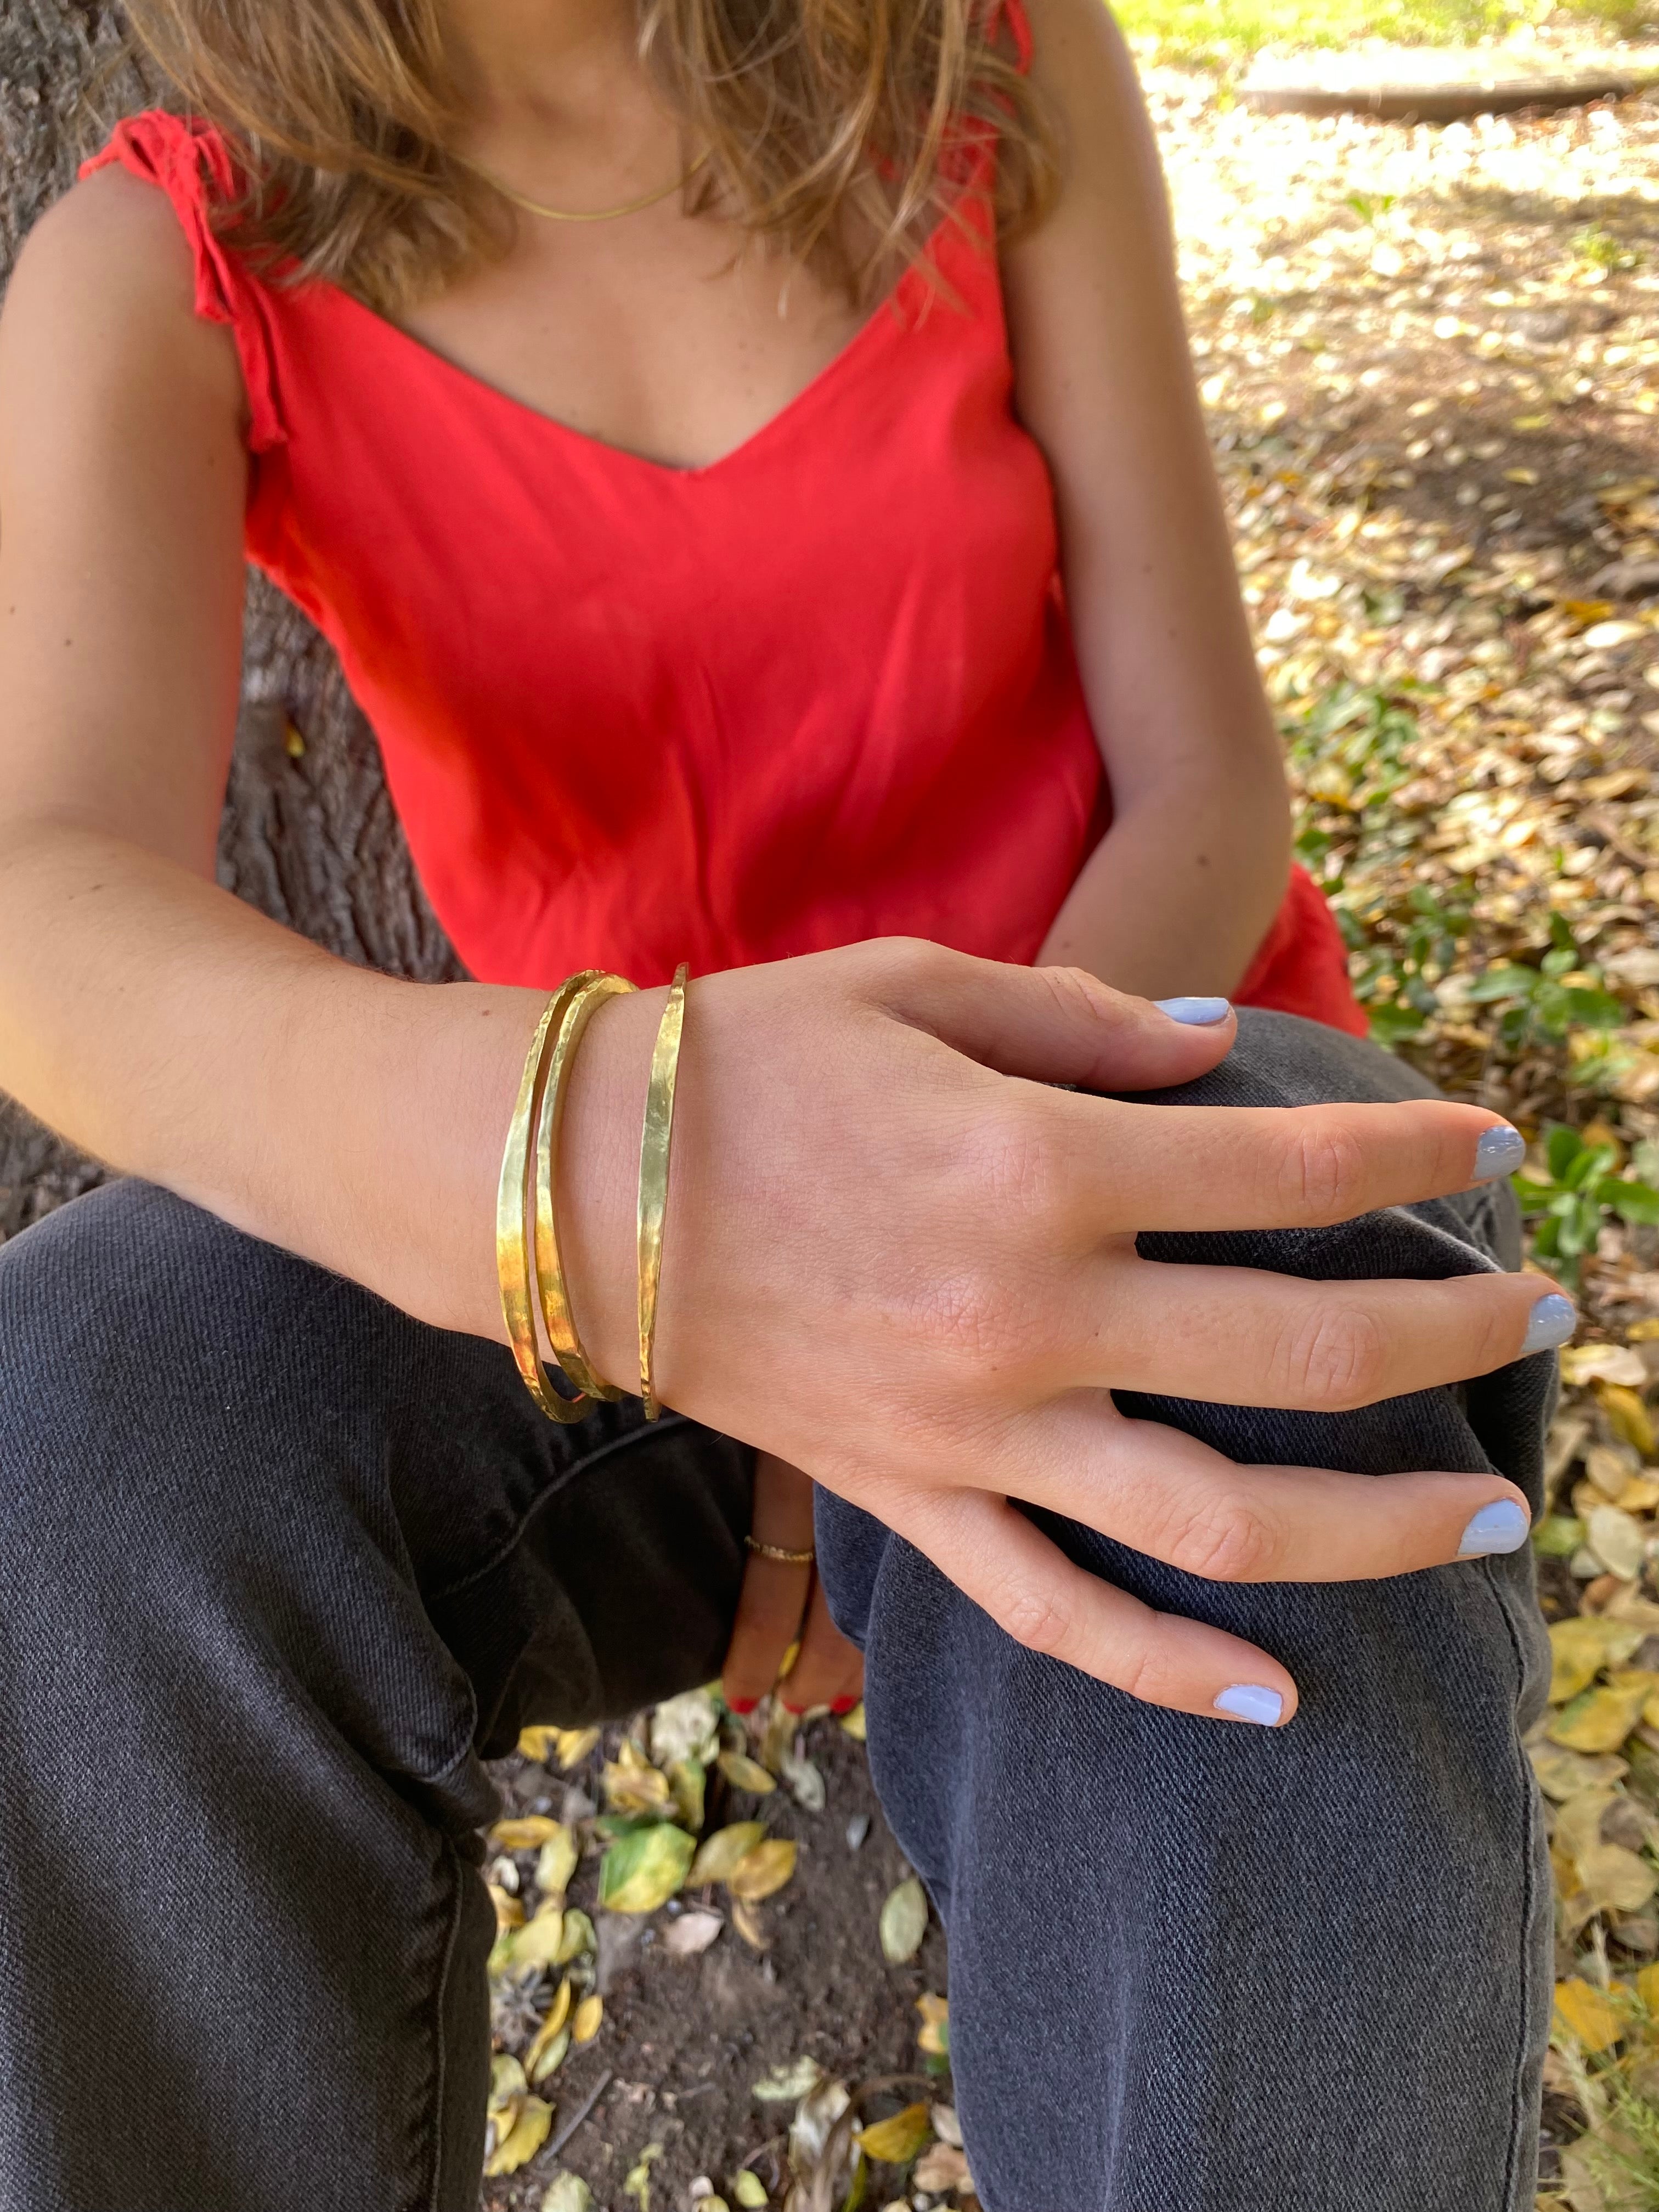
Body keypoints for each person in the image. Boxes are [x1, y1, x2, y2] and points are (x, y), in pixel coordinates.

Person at [0, 0, 1572, 2198]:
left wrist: (940, 1252)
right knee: (83, 1418)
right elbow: (43, 899)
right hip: (619, 1285)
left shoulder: (984, 59)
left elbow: (1207, 784)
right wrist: (652, 1224)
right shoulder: (171, 261)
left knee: (1262, 1308)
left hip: (1141, 1086)